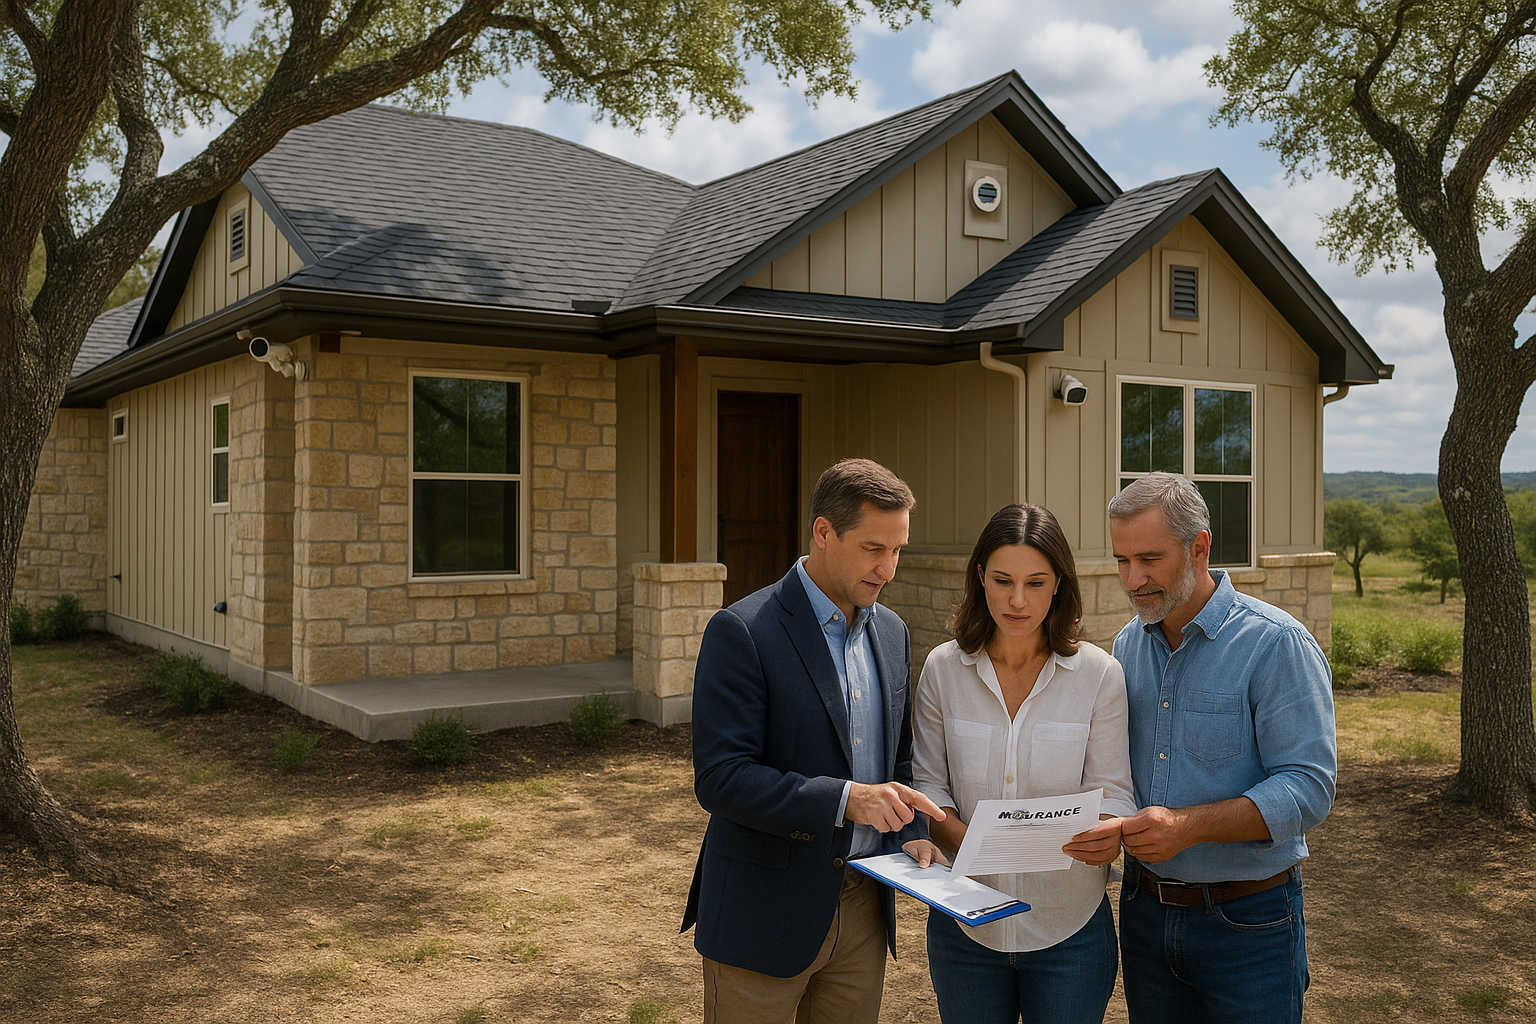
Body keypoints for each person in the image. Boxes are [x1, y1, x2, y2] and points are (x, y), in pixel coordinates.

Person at [681, 457, 947, 1024]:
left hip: (864, 910)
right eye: (874, 548)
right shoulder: (742, 631)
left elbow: (899, 757)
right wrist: (846, 799)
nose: (889, 568)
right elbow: (722, 778)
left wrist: (915, 830)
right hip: (763, 915)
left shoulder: (894, 632)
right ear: (823, 532)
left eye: (898, 550)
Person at [1077, 472, 1336, 1024]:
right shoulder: (1127, 645)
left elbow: (1309, 789)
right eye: (1122, 561)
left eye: (1150, 559)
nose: (1133, 579)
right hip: (1145, 915)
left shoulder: (1276, 644)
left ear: (1200, 547)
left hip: (1251, 922)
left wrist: (1188, 826)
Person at [911, 503, 1135, 1024]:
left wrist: (1107, 831)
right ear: (979, 579)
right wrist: (971, 844)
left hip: (1070, 929)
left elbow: (1112, 790)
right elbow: (929, 787)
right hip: (964, 929)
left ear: (1059, 584)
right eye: (1002, 580)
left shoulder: (1099, 675)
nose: (1017, 600)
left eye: (1035, 582)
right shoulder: (942, 669)